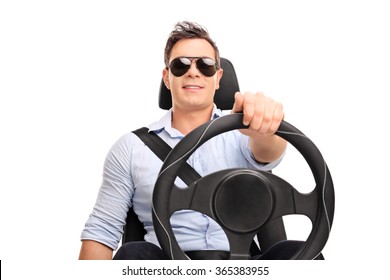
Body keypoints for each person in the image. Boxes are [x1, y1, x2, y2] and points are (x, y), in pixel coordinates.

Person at [79, 21, 289, 260]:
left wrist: (266, 128)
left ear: (218, 78)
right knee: (131, 253)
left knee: (297, 252)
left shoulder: (244, 134)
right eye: (180, 65)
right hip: (165, 265)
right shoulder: (131, 148)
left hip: (241, 264)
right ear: (167, 77)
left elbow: (269, 152)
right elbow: (101, 230)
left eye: (206, 65)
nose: (193, 71)